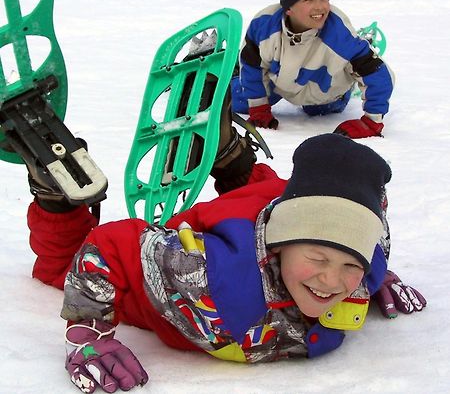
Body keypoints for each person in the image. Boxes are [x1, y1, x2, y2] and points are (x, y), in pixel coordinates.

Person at [23, 105, 426, 393]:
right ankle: (55, 189)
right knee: (60, 267)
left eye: (350, 264)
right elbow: (109, 244)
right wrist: (89, 332)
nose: (332, 279)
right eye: (319, 260)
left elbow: (361, 240)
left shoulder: (368, 259)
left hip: (272, 208)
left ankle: (232, 159)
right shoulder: (212, 280)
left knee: (270, 195)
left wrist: (377, 279)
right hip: (173, 270)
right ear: (279, 247)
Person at [231, 0, 395, 138]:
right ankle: (227, 68)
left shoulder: (339, 35)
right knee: (238, 100)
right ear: (288, 7)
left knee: (318, 110)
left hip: (325, 91)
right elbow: (251, 64)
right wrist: (259, 108)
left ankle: (361, 47)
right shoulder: (265, 25)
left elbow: (382, 76)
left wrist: (371, 122)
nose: (320, 7)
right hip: (281, 82)